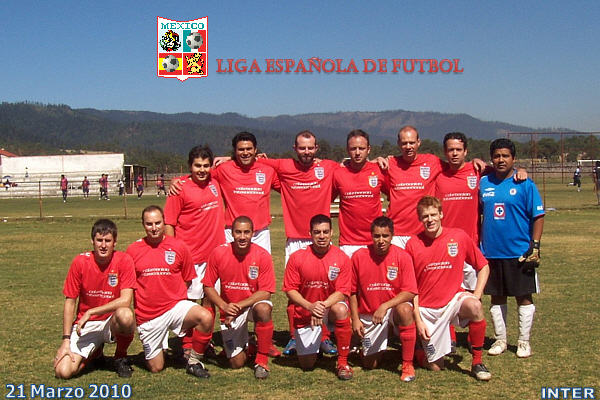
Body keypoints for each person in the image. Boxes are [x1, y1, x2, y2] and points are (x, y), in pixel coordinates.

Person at [258, 131, 340, 356]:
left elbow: (353, 165)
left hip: (321, 237)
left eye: (310, 147)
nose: (306, 151)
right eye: (302, 147)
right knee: (294, 291)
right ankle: (295, 336)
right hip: (295, 239)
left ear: (317, 148)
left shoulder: (328, 167)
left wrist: (381, 160)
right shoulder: (284, 166)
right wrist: (226, 158)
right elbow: (251, 160)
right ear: (294, 148)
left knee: (323, 288)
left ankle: (324, 336)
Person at [405, 196, 492, 381]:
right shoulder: (412, 244)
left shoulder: (458, 236)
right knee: (436, 366)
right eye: (425, 216)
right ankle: (417, 351)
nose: (430, 219)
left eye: (433, 214)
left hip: (453, 301)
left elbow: (483, 266)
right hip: (427, 310)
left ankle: (477, 362)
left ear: (441, 214)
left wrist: (476, 295)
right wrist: (418, 319)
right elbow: (410, 287)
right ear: (419, 218)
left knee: (475, 307)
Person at [126, 205, 214, 377]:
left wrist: (174, 295)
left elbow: (188, 278)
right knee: (156, 367)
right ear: (143, 224)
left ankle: (194, 362)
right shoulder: (133, 250)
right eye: (149, 224)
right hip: (148, 316)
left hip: (174, 307)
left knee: (205, 317)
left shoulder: (178, 246)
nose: (154, 228)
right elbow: (128, 284)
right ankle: (157, 347)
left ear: (164, 222)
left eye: (158, 223)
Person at [480, 138, 545, 359]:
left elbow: (538, 215)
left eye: (505, 156)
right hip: (491, 252)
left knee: (523, 297)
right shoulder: (483, 183)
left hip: (519, 252)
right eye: (497, 156)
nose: (501, 160)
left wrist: (535, 245)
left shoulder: (525, 184)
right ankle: (500, 339)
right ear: (491, 159)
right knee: (496, 297)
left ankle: (523, 342)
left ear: (513, 159)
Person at [164, 145, 227, 360]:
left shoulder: (215, 183)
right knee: (190, 302)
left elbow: (238, 162)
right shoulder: (180, 188)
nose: (202, 170)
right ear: (190, 167)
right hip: (190, 256)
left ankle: (204, 342)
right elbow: (169, 223)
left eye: (206, 165)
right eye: (197, 165)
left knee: (209, 300)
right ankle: (187, 344)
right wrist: (174, 252)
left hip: (215, 255)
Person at [54, 219, 136, 379]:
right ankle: (95, 353)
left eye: (108, 241)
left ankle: (120, 357)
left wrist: (91, 311)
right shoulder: (80, 262)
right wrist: (65, 340)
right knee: (63, 371)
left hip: (110, 322)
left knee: (125, 315)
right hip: (86, 324)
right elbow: (70, 302)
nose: (103, 245)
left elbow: (126, 300)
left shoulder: (124, 260)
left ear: (115, 242)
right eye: (99, 240)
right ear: (92, 241)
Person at [172, 132, 280, 254]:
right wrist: (179, 180)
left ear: (255, 150)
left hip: (260, 233)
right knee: (230, 265)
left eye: (249, 149)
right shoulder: (224, 169)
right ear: (235, 151)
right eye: (241, 149)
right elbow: (201, 174)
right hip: (232, 232)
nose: (245, 153)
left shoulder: (268, 170)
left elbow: (288, 187)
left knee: (261, 265)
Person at [386, 126, 486, 249]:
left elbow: (500, 174)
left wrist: (476, 161)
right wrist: (378, 160)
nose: (408, 146)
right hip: (397, 233)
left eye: (411, 142)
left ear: (418, 142)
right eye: (404, 143)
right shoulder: (390, 164)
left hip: (425, 232)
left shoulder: (434, 162)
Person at [203, 216, 276, 379]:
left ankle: (261, 361)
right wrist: (224, 306)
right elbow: (207, 286)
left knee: (264, 308)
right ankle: (250, 346)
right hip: (230, 310)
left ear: (253, 233)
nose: (242, 237)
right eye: (238, 232)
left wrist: (239, 305)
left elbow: (266, 292)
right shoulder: (219, 253)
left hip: (250, 305)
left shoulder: (262, 255)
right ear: (232, 233)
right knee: (236, 363)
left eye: (246, 232)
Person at [282, 214, 354, 380]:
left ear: (332, 232)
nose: (322, 236)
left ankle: (343, 362)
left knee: (341, 309)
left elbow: (343, 292)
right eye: (317, 232)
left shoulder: (341, 258)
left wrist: (321, 306)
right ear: (310, 233)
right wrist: (310, 307)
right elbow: (290, 290)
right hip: (307, 309)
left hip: (329, 308)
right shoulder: (297, 257)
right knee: (307, 365)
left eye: (325, 232)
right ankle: (317, 345)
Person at [349, 216, 418, 382]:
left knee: (405, 309)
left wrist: (385, 306)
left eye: (385, 236)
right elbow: (351, 292)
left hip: (391, 310)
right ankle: (371, 347)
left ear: (392, 235)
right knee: (370, 364)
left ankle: (407, 364)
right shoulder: (358, 256)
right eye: (377, 236)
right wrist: (355, 319)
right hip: (370, 315)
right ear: (371, 236)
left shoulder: (403, 256)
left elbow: (410, 291)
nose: (381, 241)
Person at [333, 130, 388, 258]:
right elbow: (325, 198)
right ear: (347, 150)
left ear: (369, 149)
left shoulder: (379, 170)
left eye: (361, 148)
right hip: (348, 243)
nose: (357, 153)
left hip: (375, 240)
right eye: (353, 148)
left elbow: (394, 196)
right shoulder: (338, 173)